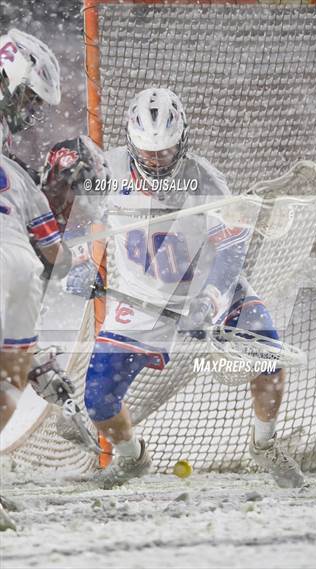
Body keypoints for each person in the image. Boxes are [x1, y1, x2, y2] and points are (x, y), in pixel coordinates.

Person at [72, 87, 304, 489]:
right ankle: (132, 459)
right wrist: (81, 264)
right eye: (147, 152)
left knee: (269, 353)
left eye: (165, 150)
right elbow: (82, 219)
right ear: (131, 143)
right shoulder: (106, 171)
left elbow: (231, 252)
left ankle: (264, 444)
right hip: (142, 295)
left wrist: (210, 302)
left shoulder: (206, 180)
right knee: (97, 401)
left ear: (183, 140)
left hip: (207, 285)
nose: (156, 160)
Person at [0, 29, 71, 530]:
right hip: (14, 272)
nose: (26, 110)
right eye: (26, 96)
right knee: (10, 376)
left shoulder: (17, 174)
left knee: (13, 372)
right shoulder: (20, 177)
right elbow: (55, 257)